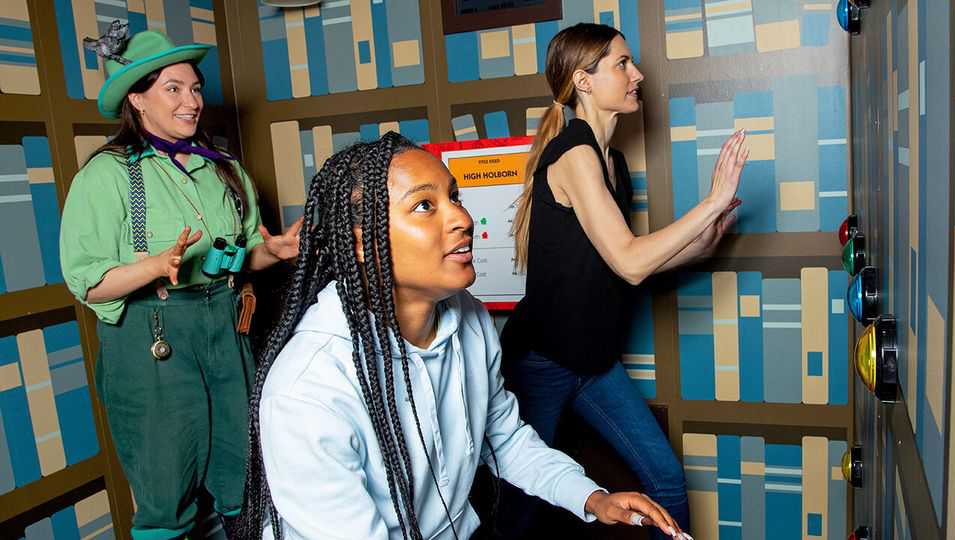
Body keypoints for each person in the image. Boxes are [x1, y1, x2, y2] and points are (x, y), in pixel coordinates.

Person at [235, 133, 691, 540]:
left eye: (454, 197)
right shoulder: (306, 390)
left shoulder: (469, 318)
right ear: (362, 243)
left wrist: (592, 498)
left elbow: (504, 438)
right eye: (424, 205)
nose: (461, 218)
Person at [498, 23, 748, 540]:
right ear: (583, 81)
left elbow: (625, 262)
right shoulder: (575, 154)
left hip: (593, 363)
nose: (638, 75)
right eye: (622, 64)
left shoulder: (612, 163)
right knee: (523, 506)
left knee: (667, 480)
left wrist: (702, 245)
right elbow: (632, 261)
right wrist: (712, 202)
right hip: (542, 363)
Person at [59, 24, 301, 539]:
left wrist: (272, 251)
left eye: (194, 88)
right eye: (173, 89)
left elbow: (241, 255)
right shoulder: (107, 174)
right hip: (153, 339)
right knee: (165, 493)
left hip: (226, 329)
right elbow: (87, 283)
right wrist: (152, 267)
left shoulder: (223, 169)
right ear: (137, 99)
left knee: (245, 476)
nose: (191, 102)